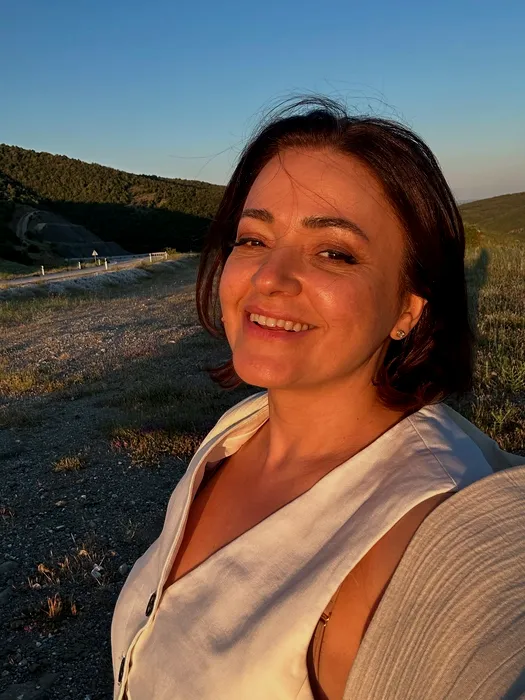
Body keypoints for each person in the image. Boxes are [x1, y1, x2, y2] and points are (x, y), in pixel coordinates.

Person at [110, 96, 524, 700]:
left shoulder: (416, 541)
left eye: (334, 252)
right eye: (253, 239)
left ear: (408, 308)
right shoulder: (239, 431)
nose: (268, 278)